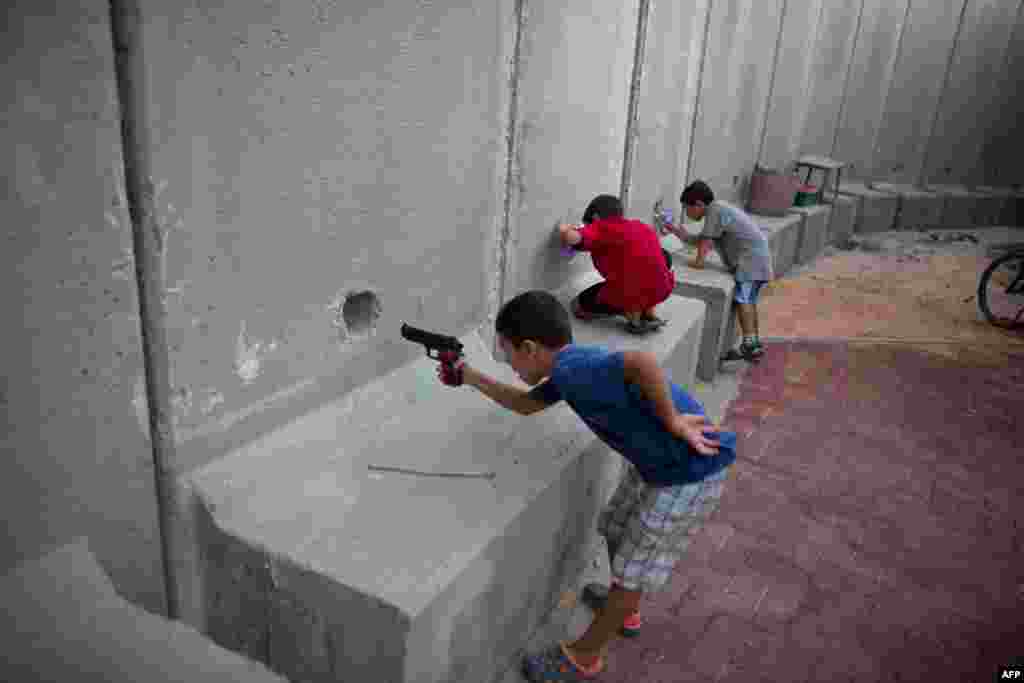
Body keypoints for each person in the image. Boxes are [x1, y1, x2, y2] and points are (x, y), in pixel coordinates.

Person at [439, 290, 736, 682]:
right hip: (658, 467)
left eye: (507, 353)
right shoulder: (565, 370)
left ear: (529, 348)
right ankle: (623, 607)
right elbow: (526, 405)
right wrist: (469, 376)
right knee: (615, 526)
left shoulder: (574, 370)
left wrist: (674, 421)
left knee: (633, 571)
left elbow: (641, 361)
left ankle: (584, 655)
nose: (509, 364)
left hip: (689, 472)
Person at [670, 180, 774, 361]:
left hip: (751, 260)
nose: (686, 213)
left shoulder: (714, 210)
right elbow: (700, 239)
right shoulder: (718, 211)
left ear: (700, 204)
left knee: (745, 300)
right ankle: (753, 343)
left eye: (687, 208)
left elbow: (706, 242)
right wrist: (678, 232)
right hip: (755, 259)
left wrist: (699, 262)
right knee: (748, 300)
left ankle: (750, 344)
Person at [558, 194, 675, 335]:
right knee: (659, 258)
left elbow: (573, 238)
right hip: (662, 289)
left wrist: (565, 229)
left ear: (595, 218)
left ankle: (631, 313)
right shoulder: (640, 226)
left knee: (577, 306)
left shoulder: (601, 227)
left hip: (631, 292)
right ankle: (647, 311)